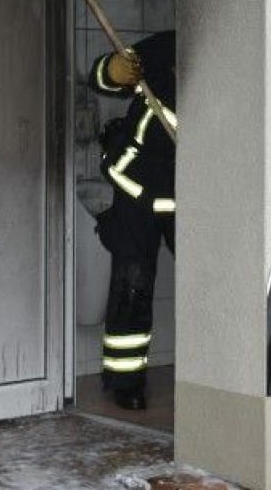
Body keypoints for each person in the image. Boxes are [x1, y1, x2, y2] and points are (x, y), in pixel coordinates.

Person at [90, 31, 176, 411]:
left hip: (195, 190)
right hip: (136, 182)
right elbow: (100, 78)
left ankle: (215, 380)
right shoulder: (167, 47)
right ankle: (125, 382)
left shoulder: (236, 64)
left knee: (209, 288)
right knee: (132, 284)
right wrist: (114, 70)